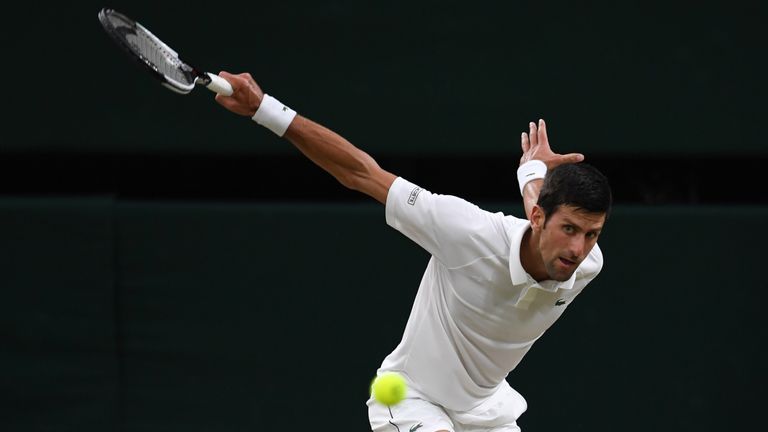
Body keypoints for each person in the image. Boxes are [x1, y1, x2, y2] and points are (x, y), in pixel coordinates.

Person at [213, 71, 612, 432]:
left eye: (591, 234)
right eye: (570, 230)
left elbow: (538, 208)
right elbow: (361, 173)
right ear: (541, 218)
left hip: (489, 413)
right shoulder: (465, 231)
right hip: (413, 401)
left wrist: (531, 172)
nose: (577, 249)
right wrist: (264, 109)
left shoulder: (586, 263)